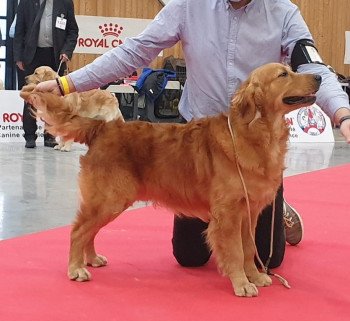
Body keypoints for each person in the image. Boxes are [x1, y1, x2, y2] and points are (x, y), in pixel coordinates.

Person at [35, 0, 350, 270]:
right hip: (201, 145)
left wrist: (342, 114)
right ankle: (254, 201)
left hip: (255, 142)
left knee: (267, 260)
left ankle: (270, 200)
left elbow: (314, 68)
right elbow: (135, 51)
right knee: (189, 257)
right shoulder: (188, 6)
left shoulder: (283, 12)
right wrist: (68, 84)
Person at [13, 0, 79, 148]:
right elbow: (19, 31)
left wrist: (67, 51)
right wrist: (18, 57)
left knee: (54, 98)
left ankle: (50, 135)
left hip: (55, 56)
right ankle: (30, 136)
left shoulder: (65, 3)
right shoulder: (25, 3)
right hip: (32, 55)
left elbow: (72, 31)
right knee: (31, 96)